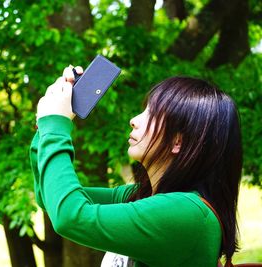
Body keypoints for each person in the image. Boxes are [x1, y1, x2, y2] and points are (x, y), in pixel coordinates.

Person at [30, 66, 242, 267]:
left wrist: (56, 125)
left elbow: (70, 217)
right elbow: (51, 199)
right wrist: (45, 124)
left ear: (178, 141)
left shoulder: (186, 213)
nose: (134, 120)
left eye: (152, 114)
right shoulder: (146, 196)